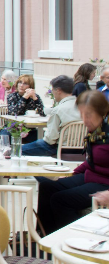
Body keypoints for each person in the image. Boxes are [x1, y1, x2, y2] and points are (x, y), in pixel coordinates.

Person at [36, 91, 109, 234]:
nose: (84, 119)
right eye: (82, 114)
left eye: (88, 114)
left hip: (105, 183)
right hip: (91, 177)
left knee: (60, 200)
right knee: (46, 186)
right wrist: (73, 174)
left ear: (102, 112)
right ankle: (45, 236)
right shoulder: (97, 131)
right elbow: (91, 161)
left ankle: (73, 240)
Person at [22, 75, 80, 156]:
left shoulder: (58, 109)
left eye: (52, 90)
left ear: (58, 90)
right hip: (82, 149)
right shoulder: (83, 106)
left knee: (19, 150)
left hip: (59, 148)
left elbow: (51, 139)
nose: (52, 92)